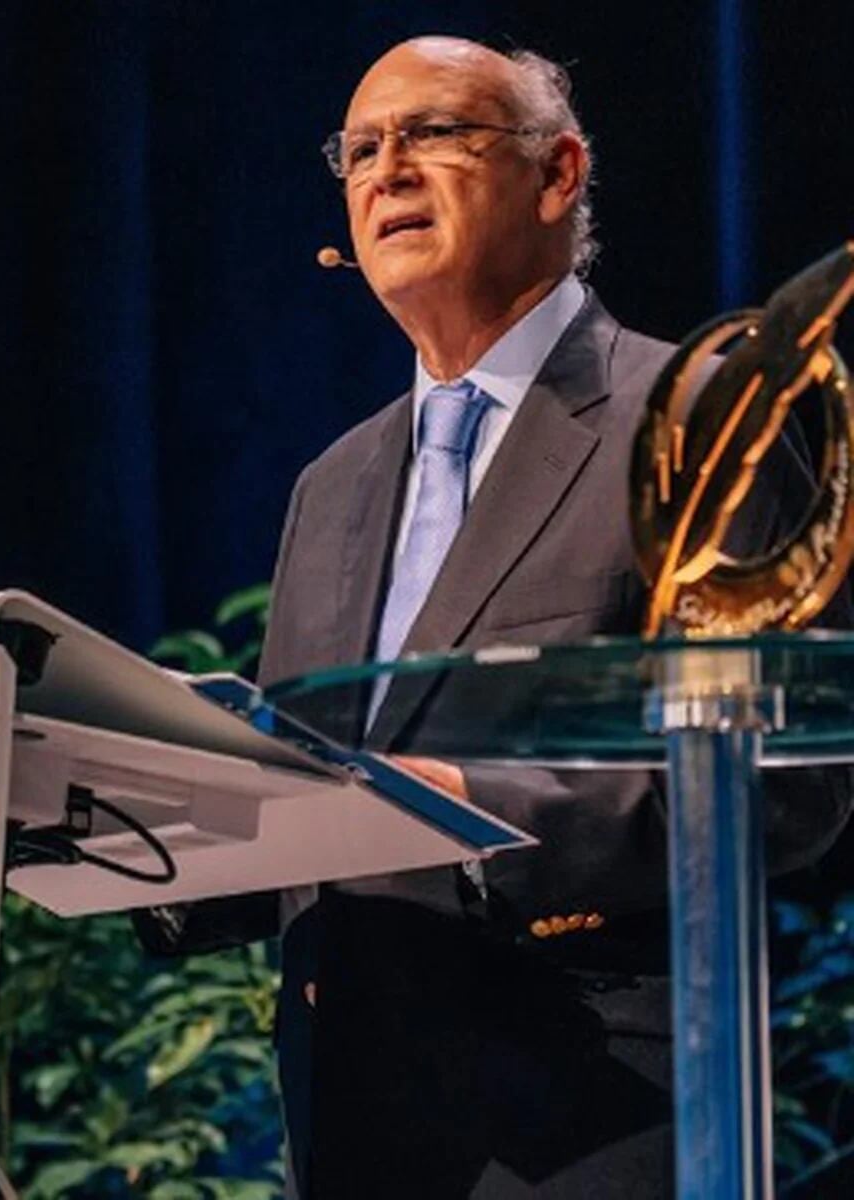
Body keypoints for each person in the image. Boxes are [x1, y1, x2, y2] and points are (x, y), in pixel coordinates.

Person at [139, 36, 852, 1198]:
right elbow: (303, 799)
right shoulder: (332, 483)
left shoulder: (693, 417)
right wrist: (139, 826)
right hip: (352, 1124)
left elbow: (788, 774)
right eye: (361, 148)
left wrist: (488, 817)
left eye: (434, 134)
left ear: (559, 175)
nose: (386, 170)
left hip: (590, 1113)